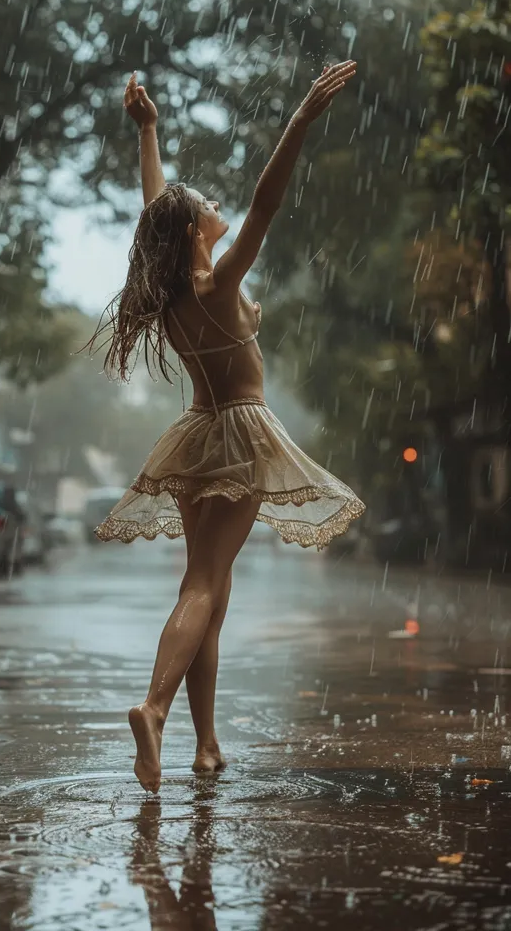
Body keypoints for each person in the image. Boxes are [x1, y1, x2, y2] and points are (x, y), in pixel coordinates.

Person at [88, 63, 365, 793]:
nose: (220, 205)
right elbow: (265, 202)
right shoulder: (220, 280)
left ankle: (204, 741)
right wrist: (299, 122)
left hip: (199, 429)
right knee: (207, 583)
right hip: (240, 432)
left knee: (205, 585)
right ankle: (153, 708)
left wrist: (148, 131)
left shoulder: (172, 292)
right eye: (208, 204)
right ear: (194, 230)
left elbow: (157, 204)